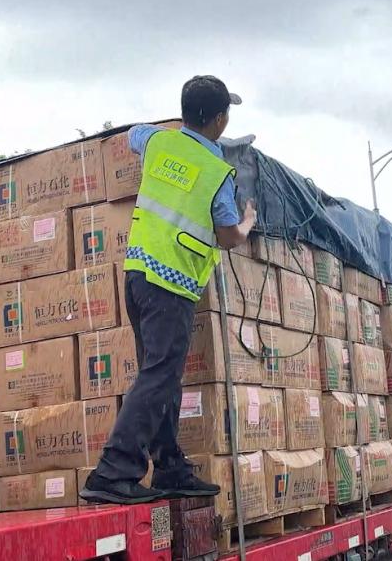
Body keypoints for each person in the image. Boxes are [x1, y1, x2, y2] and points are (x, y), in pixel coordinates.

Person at [80, 76, 257, 505]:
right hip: (172, 282)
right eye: (225, 113)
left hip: (138, 274)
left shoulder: (157, 142)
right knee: (159, 375)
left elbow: (131, 135)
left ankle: (170, 466)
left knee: (163, 375)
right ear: (219, 119)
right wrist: (249, 220)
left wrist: (170, 131)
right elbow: (229, 235)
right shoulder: (217, 172)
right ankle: (115, 470)